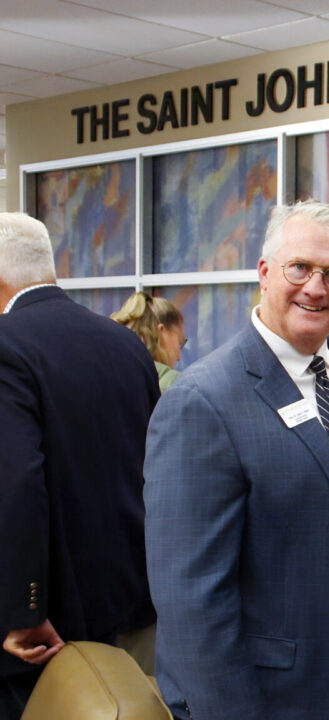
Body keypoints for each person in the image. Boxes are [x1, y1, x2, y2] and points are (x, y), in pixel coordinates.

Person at [143, 200, 329, 720]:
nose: (316, 287)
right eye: (300, 268)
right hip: (261, 696)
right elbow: (190, 600)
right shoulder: (203, 400)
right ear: (264, 273)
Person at [0, 212, 160, 718]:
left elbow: (17, 484)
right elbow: (155, 466)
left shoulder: (7, 347)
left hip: (49, 629)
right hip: (134, 604)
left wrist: (24, 610)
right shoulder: (126, 345)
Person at [111, 291, 186, 392]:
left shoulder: (113, 374)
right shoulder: (172, 383)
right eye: (179, 343)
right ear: (161, 332)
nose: (179, 357)